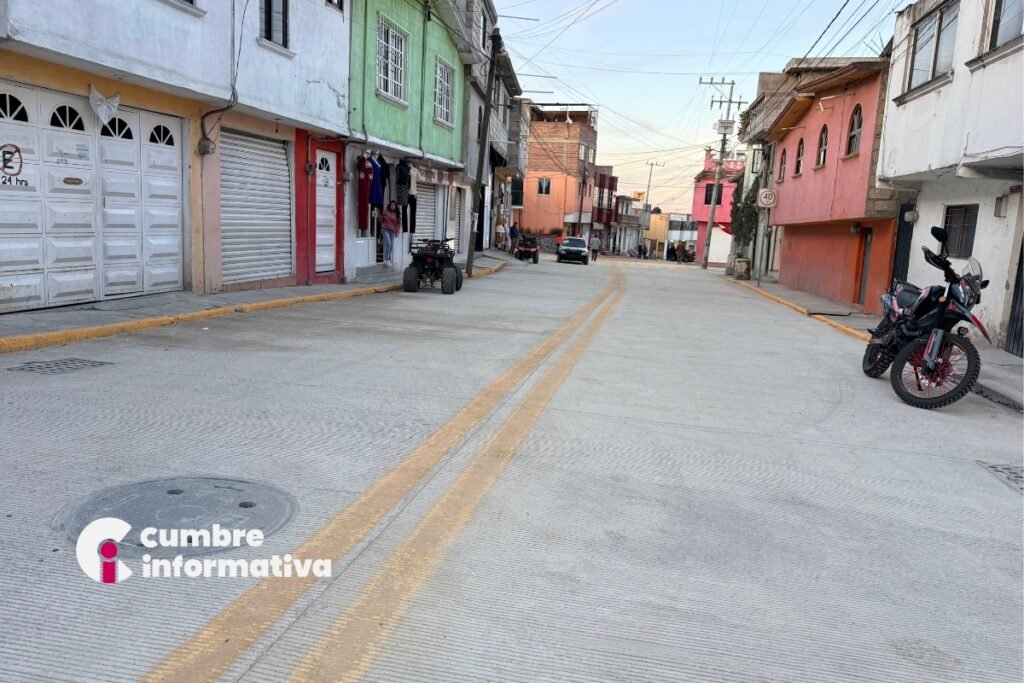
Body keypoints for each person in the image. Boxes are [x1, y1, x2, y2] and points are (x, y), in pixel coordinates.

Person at [380, 200, 400, 265]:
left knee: (391, 246)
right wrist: (379, 216)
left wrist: (397, 231)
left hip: (392, 230)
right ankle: (387, 259)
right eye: (391, 205)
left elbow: (398, 224)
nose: (392, 206)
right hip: (385, 228)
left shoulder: (397, 214)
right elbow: (381, 220)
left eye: (394, 205)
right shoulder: (386, 212)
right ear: (389, 205)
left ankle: (388, 258)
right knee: (388, 243)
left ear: (395, 206)